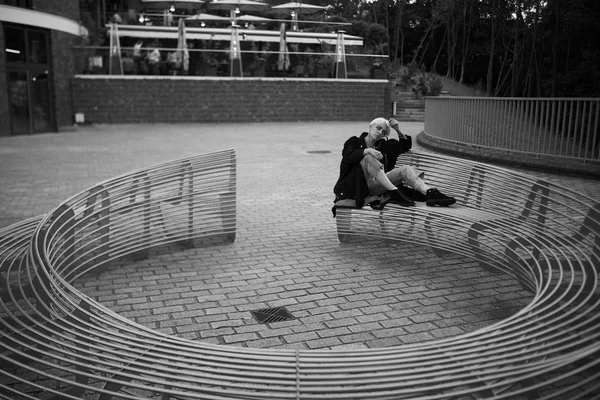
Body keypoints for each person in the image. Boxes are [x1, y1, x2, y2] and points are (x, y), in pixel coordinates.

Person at [333, 117, 456, 210]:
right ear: (370, 127)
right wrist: (367, 150)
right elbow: (348, 156)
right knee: (367, 157)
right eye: (378, 128)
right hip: (358, 186)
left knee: (405, 169)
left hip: (379, 185)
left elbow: (405, 145)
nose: (381, 132)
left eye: (384, 132)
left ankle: (430, 192)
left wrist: (397, 130)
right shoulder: (353, 142)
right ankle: (393, 190)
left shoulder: (385, 146)